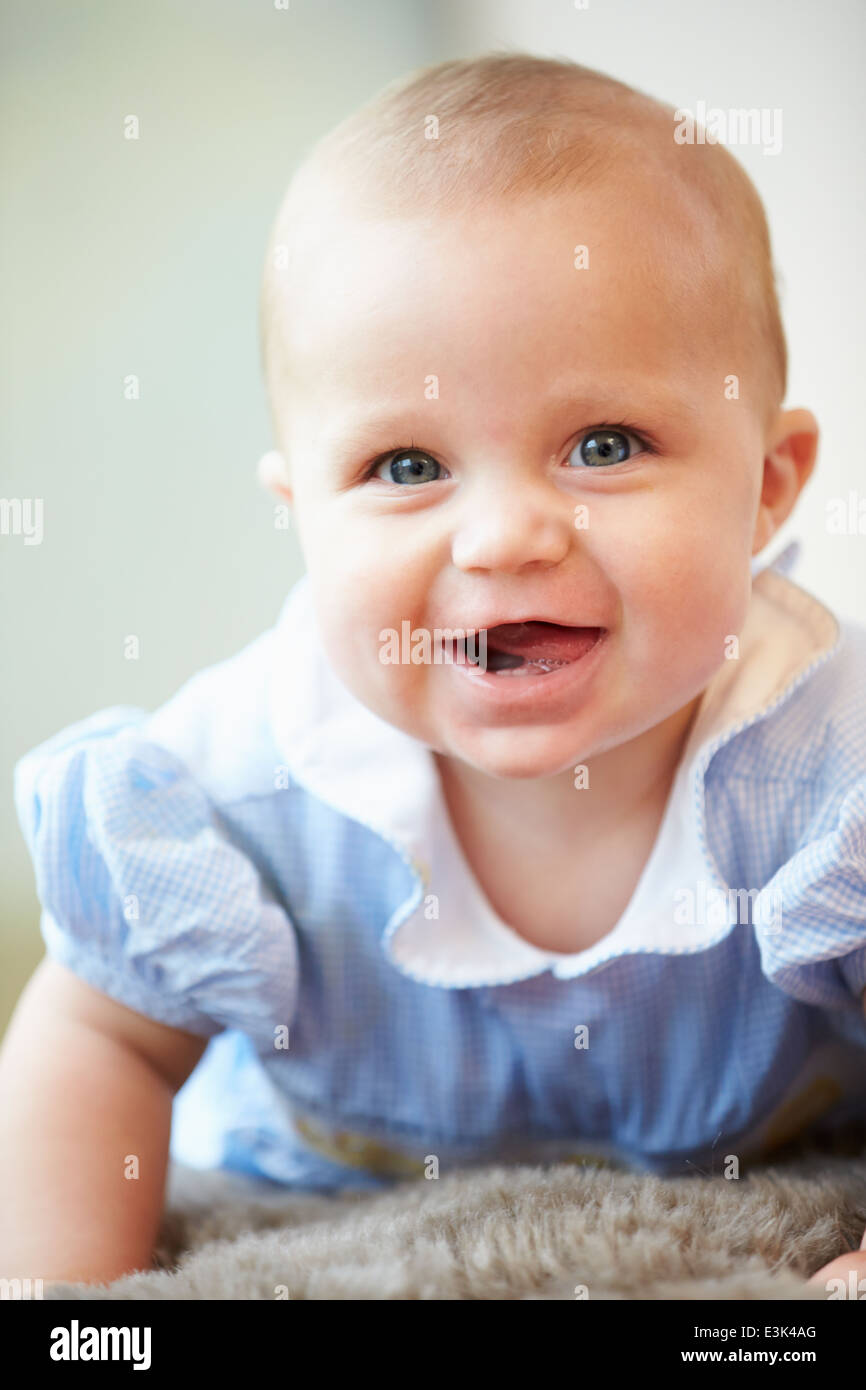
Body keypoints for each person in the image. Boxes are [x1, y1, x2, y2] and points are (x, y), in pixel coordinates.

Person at [3, 54, 865, 1292]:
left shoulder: (822, 764)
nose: (504, 536)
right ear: (300, 510)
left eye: (602, 444)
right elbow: (101, 1038)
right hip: (306, 1172)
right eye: (407, 465)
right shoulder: (246, 778)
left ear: (765, 486)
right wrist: (65, 1302)